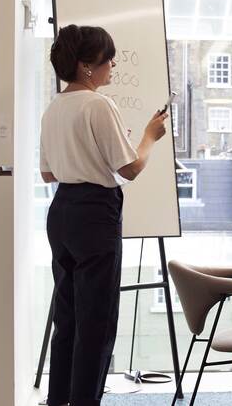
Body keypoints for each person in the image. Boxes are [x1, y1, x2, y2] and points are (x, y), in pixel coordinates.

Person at [39, 24, 168, 406]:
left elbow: (48, 173)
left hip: (61, 211)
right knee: (96, 322)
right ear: (85, 67)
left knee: (69, 318)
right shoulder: (98, 104)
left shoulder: (53, 107)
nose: (112, 63)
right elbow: (130, 168)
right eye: (106, 58)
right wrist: (148, 136)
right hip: (95, 214)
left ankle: (58, 399)